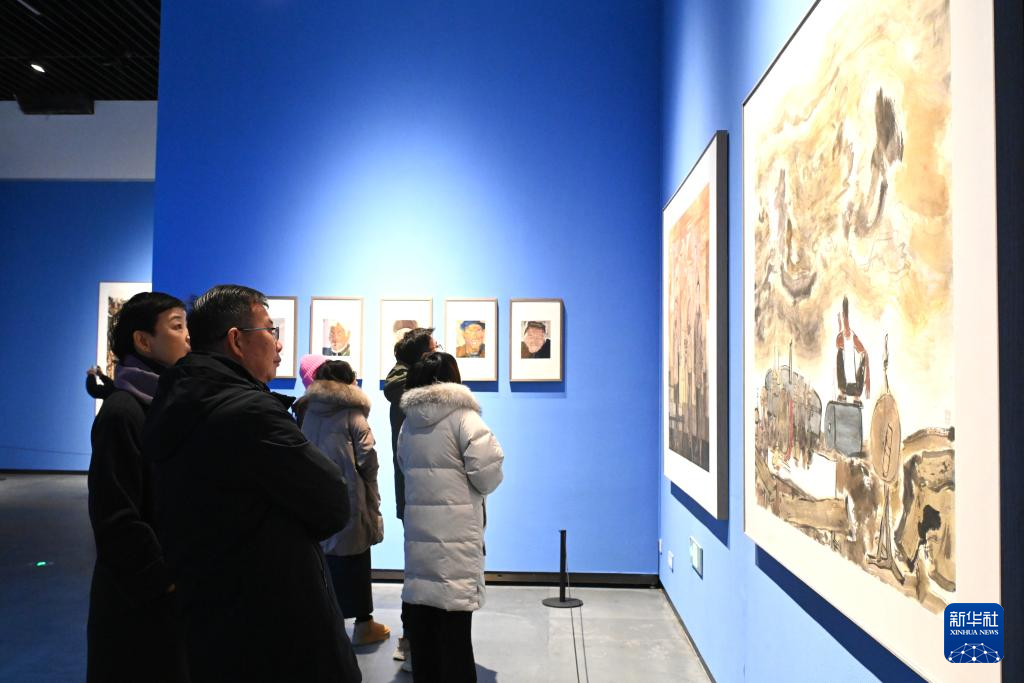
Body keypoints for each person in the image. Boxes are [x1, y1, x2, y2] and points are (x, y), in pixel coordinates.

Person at [143, 284, 361, 682]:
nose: (279, 344)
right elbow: (332, 502)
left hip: (213, 620)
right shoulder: (249, 413)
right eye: (270, 331)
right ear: (236, 340)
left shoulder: (177, 402)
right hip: (278, 628)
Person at [86, 291, 190, 683]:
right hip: (138, 603)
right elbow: (116, 517)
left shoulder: (164, 405)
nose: (188, 336)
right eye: (177, 326)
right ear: (143, 341)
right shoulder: (122, 412)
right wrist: (164, 580)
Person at [398, 352, 504, 682]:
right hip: (456, 538)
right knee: (455, 633)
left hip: (420, 537)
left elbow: (404, 466)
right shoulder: (465, 418)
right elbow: (488, 474)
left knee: (425, 629)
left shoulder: (408, 424)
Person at [299, 358, 389, 646]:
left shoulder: (308, 412)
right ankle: (364, 626)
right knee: (356, 559)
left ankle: (328, 626)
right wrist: (371, 488)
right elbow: (368, 458)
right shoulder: (353, 414)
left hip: (317, 498)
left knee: (323, 562)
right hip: (350, 498)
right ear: (350, 382)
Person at [383, 327, 436, 666]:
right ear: (423, 357)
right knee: (420, 568)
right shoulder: (415, 394)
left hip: (414, 489)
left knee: (418, 565)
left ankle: (415, 639)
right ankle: (413, 640)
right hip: (422, 490)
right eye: (434, 349)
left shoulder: (403, 389)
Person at [835, 296, 870, 401]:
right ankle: (843, 393)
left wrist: (867, 377)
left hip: (854, 382)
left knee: (860, 358)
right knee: (840, 354)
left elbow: (864, 353)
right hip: (844, 380)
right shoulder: (840, 339)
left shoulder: (853, 338)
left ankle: (855, 396)